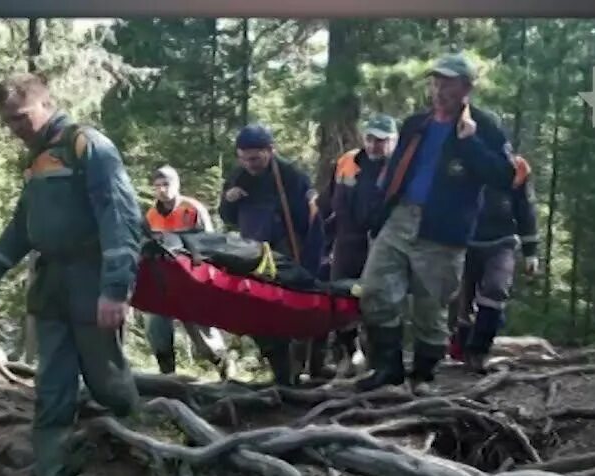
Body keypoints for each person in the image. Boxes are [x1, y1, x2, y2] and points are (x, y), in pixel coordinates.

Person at [0, 73, 143, 476]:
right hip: (51, 287)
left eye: (20, 118)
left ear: (46, 104)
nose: (14, 128)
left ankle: (144, 458)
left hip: (92, 281)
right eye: (7, 122)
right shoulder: (37, 160)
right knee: (52, 390)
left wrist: (115, 289)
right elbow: (23, 227)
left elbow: (120, 218)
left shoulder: (88, 146)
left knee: (106, 379)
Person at [354, 52, 517, 393]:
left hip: (443, 230)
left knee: (430, 306)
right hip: (401, 219)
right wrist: (378, 214)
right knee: (375, 290)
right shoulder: (417, 124)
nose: (440, 89)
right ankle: (389, 369)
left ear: (466, 88)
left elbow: (505, 176)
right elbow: (393, 173)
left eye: (449, 83)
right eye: (436, 81)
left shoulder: (483, 127)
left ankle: (424, 376)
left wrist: (469, 143)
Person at [217, 124, 320, 385]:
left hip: (285, 254)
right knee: (259, 313)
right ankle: (281, 373)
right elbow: (227, 216)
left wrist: (310, 260)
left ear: (270, 151)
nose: (249, 163)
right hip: (250, 254)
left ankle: (301, 370)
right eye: (244, 157)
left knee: (291, 309)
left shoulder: (291, 176)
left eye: (255, 157)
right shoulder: (238, 175)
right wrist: (229, 200)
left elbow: (309, 221)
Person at [318, 114, 398, 377]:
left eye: (382, 141)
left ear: (393, 141)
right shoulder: (346, 162)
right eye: (371, 139)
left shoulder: (400, 168)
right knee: (341, 298)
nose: (375, 145)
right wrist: (325, 243)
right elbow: (328, 205)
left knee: (378, 300)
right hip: (346, 242)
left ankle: (377, 360)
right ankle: (347, 354)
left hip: (383, 243)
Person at [448, 154, 540, 372]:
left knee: (496, 289)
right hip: (463, 241)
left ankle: (479, 350)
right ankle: (461, 347)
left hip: (502, 241)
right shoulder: (460, 159)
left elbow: (526, 209)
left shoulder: (516, 167)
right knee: (462, 298)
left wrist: (531, 252)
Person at [142, 165, 231, 378]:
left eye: (166, 184)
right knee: (157, 328)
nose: (162, 190)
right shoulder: (151, 215)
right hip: (162, 280)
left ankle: (223, 366)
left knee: (201, 330)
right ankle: (167, 375)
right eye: (157, 186)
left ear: (176, 185)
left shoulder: (192, 209)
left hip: (190, 278)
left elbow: (209, 244)